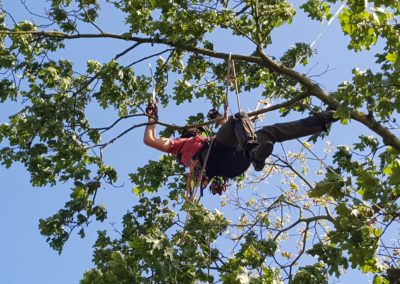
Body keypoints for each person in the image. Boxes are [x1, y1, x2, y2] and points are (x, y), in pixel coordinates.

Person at [143, 103, 336, 192]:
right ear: (186, 133)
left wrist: (217, 117)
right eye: (194, 129)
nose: (196, 129)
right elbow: (150, 140)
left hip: (236, 160)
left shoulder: (208, 138)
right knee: (239, 118)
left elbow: (232, 128)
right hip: (212, 160)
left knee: (269, 132)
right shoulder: (179, 145)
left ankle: (322, 121)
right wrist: (152, 117)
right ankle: (253, 151)